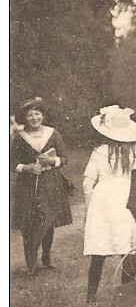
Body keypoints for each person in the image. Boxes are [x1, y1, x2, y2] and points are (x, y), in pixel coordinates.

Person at [82, 105, 136, 307]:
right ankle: (129, 296)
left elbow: (87, 183)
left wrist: (88, 208)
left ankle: (91, 296)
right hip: (127, 199)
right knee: (127, 248)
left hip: (104, 201)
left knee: (99, 250)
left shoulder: (100, 152)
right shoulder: (135, 152)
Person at [10, 97, 73, 275]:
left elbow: (65, 158)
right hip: (28, 186)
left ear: (43, 115)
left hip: (50, 184)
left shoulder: (53, 133)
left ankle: (46, 257)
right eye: (30, 115)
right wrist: (27, 168)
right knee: (29, 223)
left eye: (37, 114)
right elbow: (11, 163)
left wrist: (53, 160)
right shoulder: (19, 137)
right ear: (25, 118)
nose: (34, 118)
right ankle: (31, 263)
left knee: (48, 221)